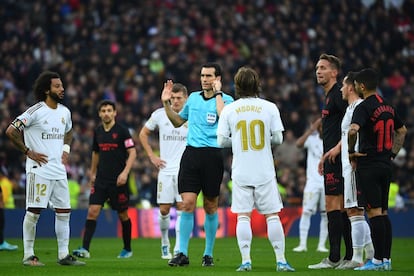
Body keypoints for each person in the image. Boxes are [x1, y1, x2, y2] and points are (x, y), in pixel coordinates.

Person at [217, 66, 295, 272]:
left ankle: (246, 261)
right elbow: (278, 138)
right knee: (272, 216)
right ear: (256, 84)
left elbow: (221, 140)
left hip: (241, 170)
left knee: (243, 216)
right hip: (264, 170)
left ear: (237, 85)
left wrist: (239, 141)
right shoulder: (269, 107)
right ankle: (281, 261)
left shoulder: (229, 109)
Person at [5, 71, 84, 266]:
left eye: (62, 85)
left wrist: (66, 149)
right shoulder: (36, 111)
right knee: (33, 212)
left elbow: (69, 131)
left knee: (64, 212)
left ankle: (64, 255)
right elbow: (11, 130)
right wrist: (27, 151)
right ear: (47, 89)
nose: (62, 89)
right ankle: (28, 255)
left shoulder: (65, 112)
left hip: (58, 170)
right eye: (57, 86)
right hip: (38, 169)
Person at [162, 62, 234, 267]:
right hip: (191, 155)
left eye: (209, 76)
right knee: (187, 204)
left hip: (213, 156)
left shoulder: (227, 100)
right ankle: (182, 253)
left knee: (210, 206)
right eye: (202, 75)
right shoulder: (193, 98)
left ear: (218, 79)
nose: (204, 79)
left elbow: (224, 118)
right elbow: (177, 122)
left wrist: (218, 94)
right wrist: (166, 104)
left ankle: (208, 253)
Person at [349, 68, 407, 271]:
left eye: (356, 84)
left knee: (373, 213)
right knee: (383, 213)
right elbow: (402, 130)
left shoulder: (363, 107)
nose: (355, 87)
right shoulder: (388, 106)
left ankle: (377, 261)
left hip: (369, 164)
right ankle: (386, 260)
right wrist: (392, 154)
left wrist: (350, 151)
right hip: (385, 164)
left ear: (362, 86)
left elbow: (353, 130)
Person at [73, 100, 137, 259]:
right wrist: (92, 173)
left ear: (115, 113)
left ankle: (127, 249)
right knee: (92, 212)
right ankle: (85, 249)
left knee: (123, 214)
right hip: (101, 179)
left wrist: (125, 173)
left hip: (118, 181)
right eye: (103, 111)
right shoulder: (98, 131)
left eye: (109, 110)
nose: (106, 113)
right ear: (99, 114)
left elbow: (133, 152)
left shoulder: (122, 131)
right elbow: (96, 153)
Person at [309, 54, 353, 269]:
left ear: (334, 72)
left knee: (335, 206)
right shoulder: (330, 96)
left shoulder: (337, 95)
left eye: (324, 68)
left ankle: (336, 257)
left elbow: (352, 124)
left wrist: (337, 150)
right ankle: (346, 256)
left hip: (338, 158)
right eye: (317, 67)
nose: (318, 71)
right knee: (342, 207)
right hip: (332, 157)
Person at [138, 83, 188, 259]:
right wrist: (152, 156)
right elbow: (143, 134)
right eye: (172, 98)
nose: (175, 101)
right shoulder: (159, 115)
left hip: (184, 171)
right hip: (165, 170)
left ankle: (179, 248)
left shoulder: (190, 116)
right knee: (165, 210)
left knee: (183, 208)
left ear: (186, 99)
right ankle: (165, 242)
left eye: (178, 98)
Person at [332, 71, 374, 269]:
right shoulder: (351, 108)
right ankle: (371, 253)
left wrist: (352, 156)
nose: (340, 88)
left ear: (350, 88)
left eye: (343, 85)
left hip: (353, 164)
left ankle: (357, 257)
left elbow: (357, 134)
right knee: (355, 209)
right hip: (348, 164)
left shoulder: (358, 107)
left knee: (354, 210)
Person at [292, 117, 328, 253]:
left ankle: (321, 245)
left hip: (327, 182)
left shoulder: (332, 141)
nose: (321, 129)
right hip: (312, 182)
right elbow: (298, 144)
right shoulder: (312, 140)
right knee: (306, 213)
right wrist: (310, 130)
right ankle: (302, 244)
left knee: (325, 214)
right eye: (320, 127)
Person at [0, 170, 18, 251]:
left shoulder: (4, 183)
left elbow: (3, 194)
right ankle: (1, 243)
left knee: (1, 224)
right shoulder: (5, 182)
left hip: (6, 206)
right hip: (6, 205)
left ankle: (1, 242)